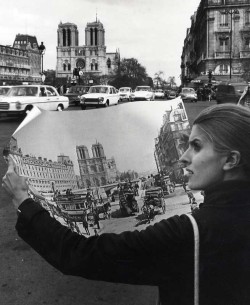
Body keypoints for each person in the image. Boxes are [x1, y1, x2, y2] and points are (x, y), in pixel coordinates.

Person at [3, 103, 250, 305]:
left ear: (231, 159)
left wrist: (24, 201)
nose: (183, 157)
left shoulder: (191, 232)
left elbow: (80, 255)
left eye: (196, 146)